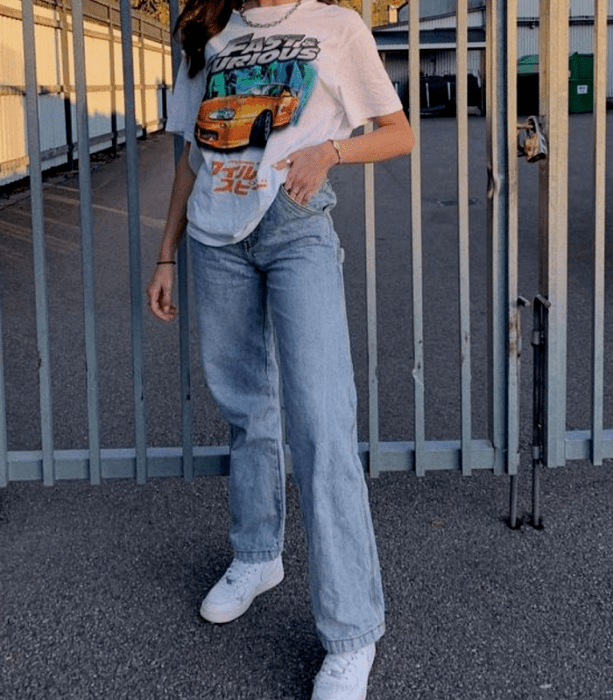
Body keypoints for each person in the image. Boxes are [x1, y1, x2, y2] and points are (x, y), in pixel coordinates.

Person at [147, 1, 414, 698]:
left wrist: (330, 149)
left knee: (322, 424)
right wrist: (166, 253)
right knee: (246, 411)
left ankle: (351, 633)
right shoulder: (211, 34)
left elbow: (397, 133)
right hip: (214, 238)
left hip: (296, 229)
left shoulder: (337, 26)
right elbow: (190, 156)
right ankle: (257, 556)